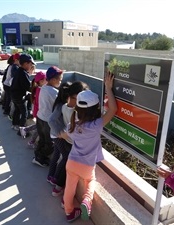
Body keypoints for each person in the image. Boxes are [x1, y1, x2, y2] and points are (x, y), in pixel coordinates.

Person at [60, 73, 117, 222]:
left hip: (71, 162)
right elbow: (113, 109)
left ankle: (68, 210)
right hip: (87, 165)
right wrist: (109, 89)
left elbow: (66, 134)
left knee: (70, 186)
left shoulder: (72, 124)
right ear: (96, 108)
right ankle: (86, 201)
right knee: (90, 182)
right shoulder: (96, 125)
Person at [50, 81, 89, 197]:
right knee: (70, 168)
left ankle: (56, 185)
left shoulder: (64, 107)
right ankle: (59, 188)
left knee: (66, 162)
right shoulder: (76, 113)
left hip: (67, 142)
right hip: (74, 144)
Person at [32, 66, 64, 167]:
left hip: (40, 118)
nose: (60, 82)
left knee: (42, 139)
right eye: (60, 80)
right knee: (50, 143)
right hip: (47, 121)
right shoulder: (54, 92)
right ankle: (40, 158)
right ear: (54, 80)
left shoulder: (44, 88)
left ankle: (37, 155)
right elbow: (61, 104)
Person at [47, 81, 71, 192]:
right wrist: (60, 133)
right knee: (66, 156)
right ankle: (56, 178)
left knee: (56, 154)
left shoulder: (59, 103)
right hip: (57, 136)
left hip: (54, 135)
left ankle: (50, 175)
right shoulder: (61, 106)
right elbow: (51, 120)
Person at [19, 71, 47, 147]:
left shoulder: (38, 89)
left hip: (38, 112)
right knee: (39, 128)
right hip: (39, 113)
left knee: (39, 126)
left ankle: (25, 130)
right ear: (41, 81)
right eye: (46, 79)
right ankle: (31, 140)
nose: (48, 81)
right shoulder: (41, 90)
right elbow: (40, 103)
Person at [10, 53, 35, 131]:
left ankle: (14, 124)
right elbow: (28, 87)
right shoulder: (23, 74)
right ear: (25, 64)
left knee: (17, 110)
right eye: (30, 64)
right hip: (19, 96)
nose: (31, 66)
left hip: (14, 95)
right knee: (24, 113)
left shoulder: (18, 71)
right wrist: (35, 88)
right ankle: (22, 129)